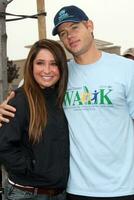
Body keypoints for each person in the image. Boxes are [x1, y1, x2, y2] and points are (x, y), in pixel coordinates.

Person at [1, 5, 134, 200]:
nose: (69, 35)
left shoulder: (126, 69)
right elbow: (25, 91)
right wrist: (4, 107)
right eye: (63, 32)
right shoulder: (59, 74)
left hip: (122, 187)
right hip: (73, 189)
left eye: (74, 27)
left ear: (89, 25)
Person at [0, 38, 69, 200]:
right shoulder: (20, 100)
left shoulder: (59, 98)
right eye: (40, 63)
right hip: (27, 194)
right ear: (31, 66)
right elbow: (3, 145)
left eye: (53, 64)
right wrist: (31, 167)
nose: (47, 70)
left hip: (59, 193)